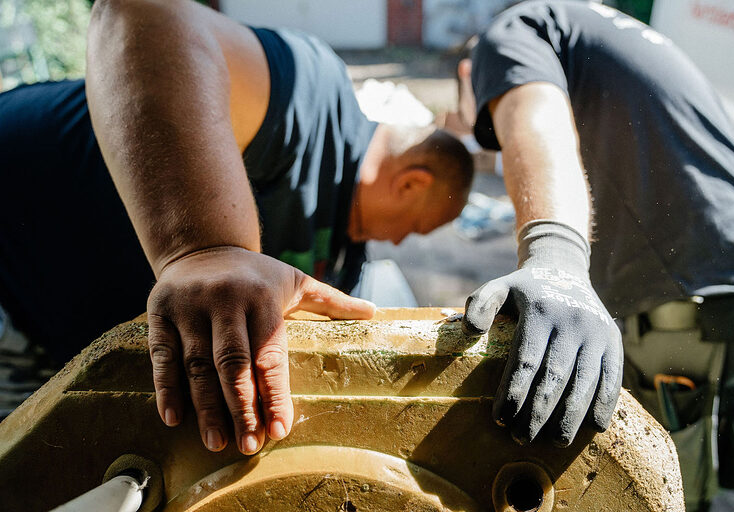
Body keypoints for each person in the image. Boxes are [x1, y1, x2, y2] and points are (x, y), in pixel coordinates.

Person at [0, 0, 473, 455]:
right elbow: (139, 12)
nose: (394, 242)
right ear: (412, 184)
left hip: (70, 338)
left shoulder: (348, 260)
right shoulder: (312, 99)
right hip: (12, 267)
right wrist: (202, 250)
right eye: (410, 228)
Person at [456, 1, 734, 510]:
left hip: (688, 295)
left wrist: (554, 256)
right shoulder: (599, 32)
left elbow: (538, 124)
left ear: (471, 74)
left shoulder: (513, 31)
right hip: (723, 271)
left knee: (659, 489)